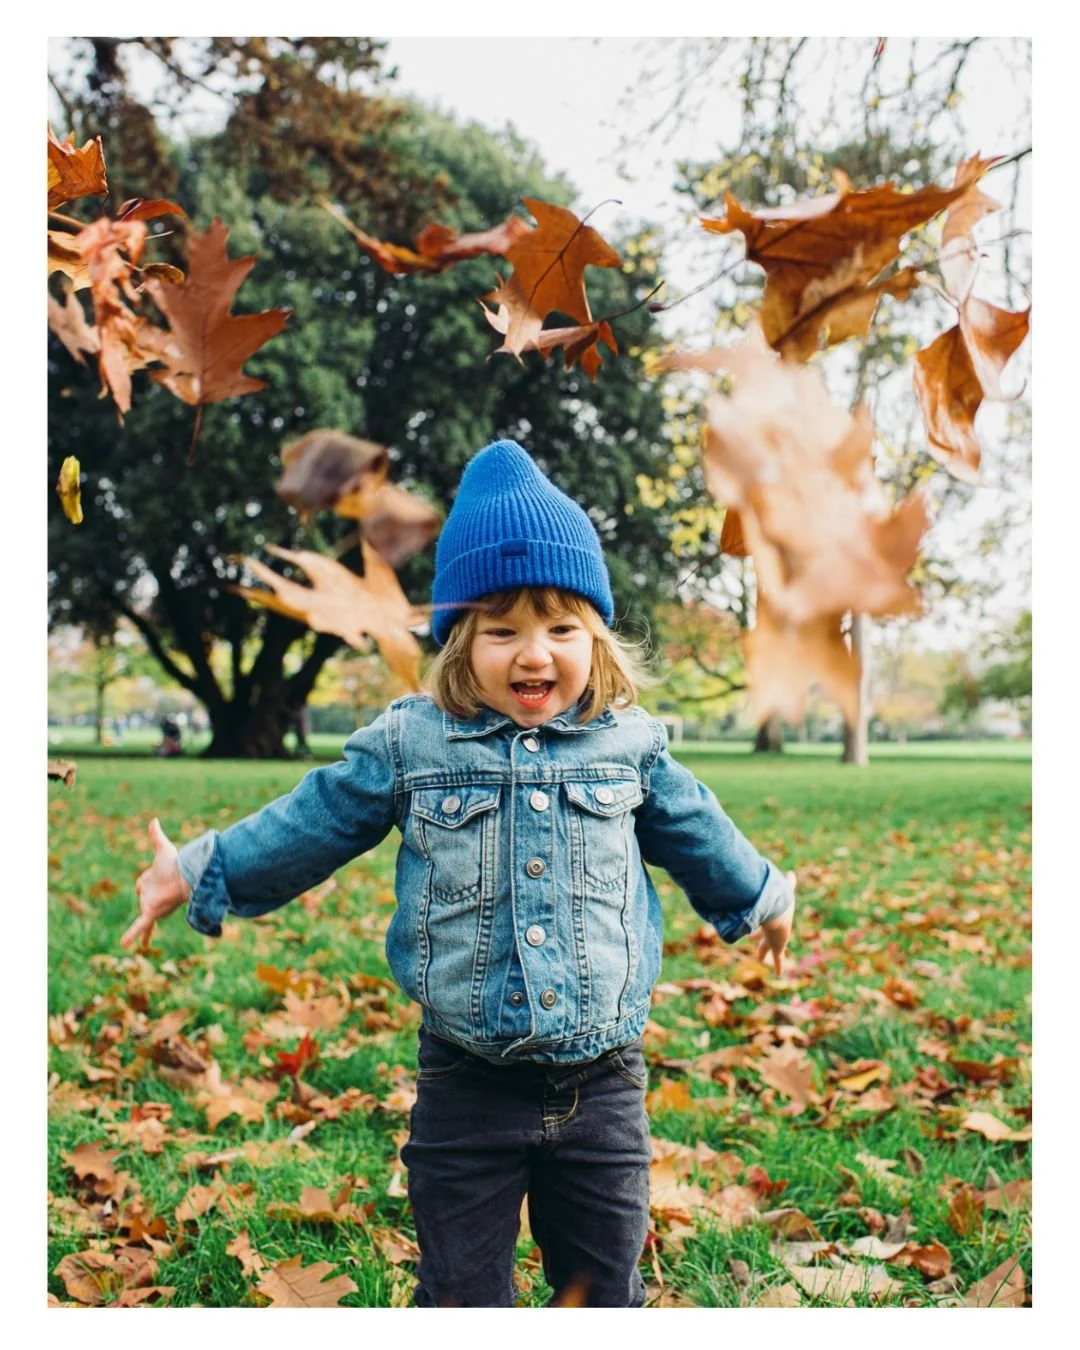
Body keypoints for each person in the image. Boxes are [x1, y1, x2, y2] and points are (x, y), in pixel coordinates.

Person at [122, 439, 797, 1308]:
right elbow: (314, 821)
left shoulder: (630, 744)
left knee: (602, 1289)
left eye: (561, 628)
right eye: (502, 630)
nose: (534, 654)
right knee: (460, 1293)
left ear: (595, 635)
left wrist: (763, 899)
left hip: (604, 1087)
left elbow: (700, 833)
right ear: (457, 642)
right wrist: (196, 869)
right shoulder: (414, 743)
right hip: (465, 1085)